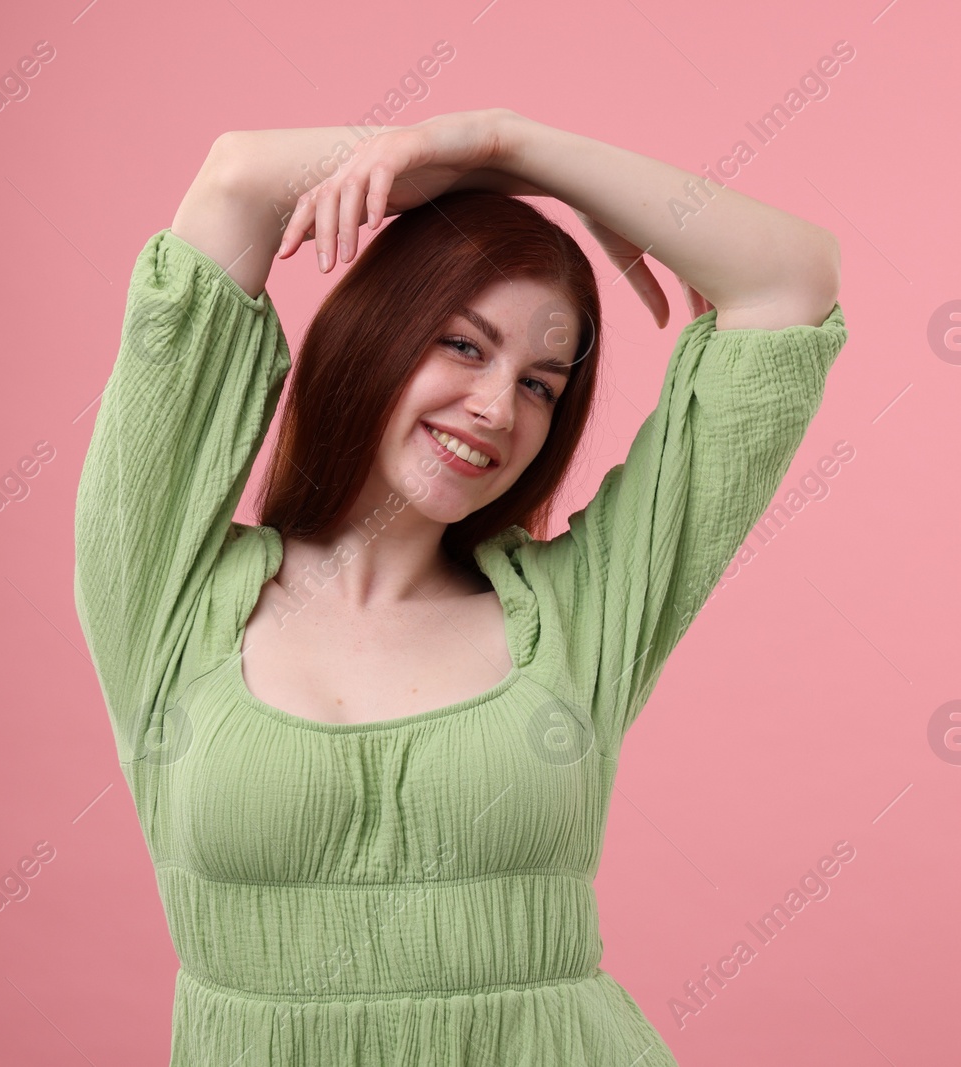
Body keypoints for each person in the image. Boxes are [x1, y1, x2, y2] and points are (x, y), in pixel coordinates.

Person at [71, 106, 847, 1065]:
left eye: (539, 384)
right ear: (375, 335)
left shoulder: (581, 614)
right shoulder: (168, 596)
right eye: (466, 345)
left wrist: (523, 149)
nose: (494, 407)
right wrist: (458, 162)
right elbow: (236, 180)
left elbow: (790, 280)